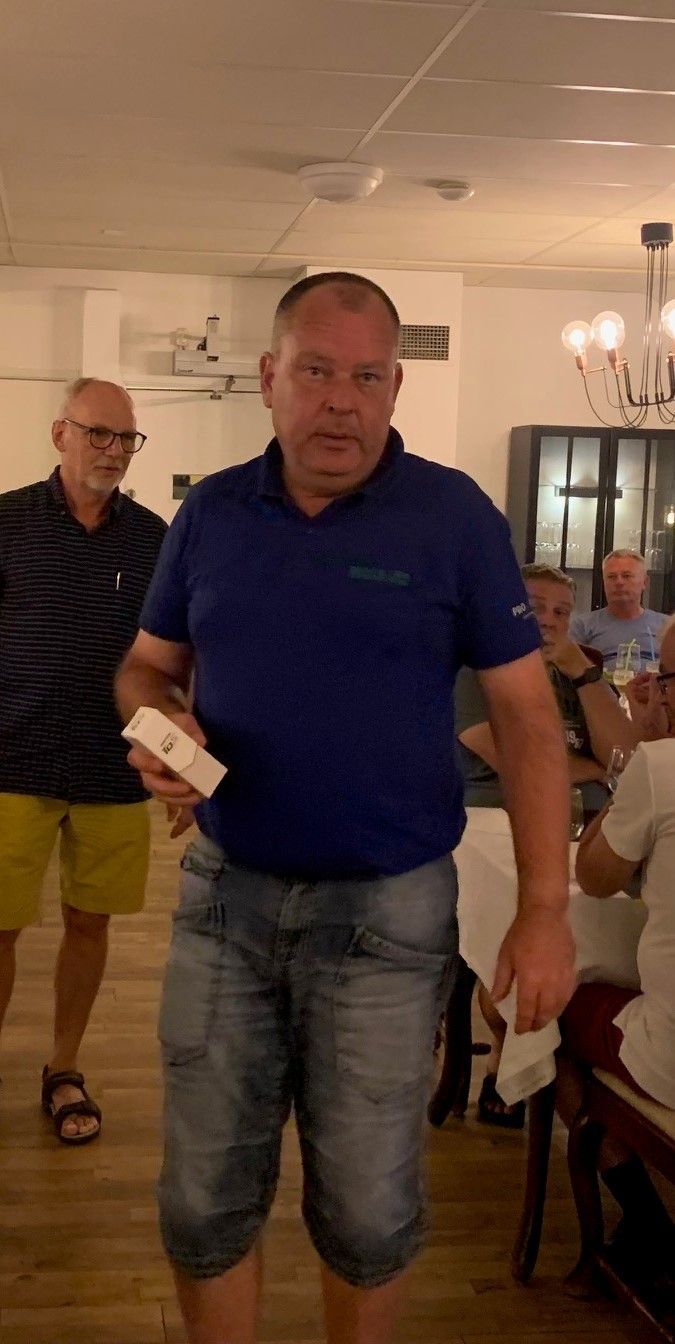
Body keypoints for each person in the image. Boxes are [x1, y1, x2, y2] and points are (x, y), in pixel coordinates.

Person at [115, 270, 575, 1344]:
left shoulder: (453, 517)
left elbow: (526, 719)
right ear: (269, 377)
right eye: (316, 370)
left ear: (395, 387)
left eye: (367, 377)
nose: (341, 400)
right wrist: (158, 727)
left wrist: (546, 907)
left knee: (368, 1214)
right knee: (202, 1202)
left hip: (388, 913)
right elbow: (144, 667)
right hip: (224, 901)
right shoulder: (211, 513)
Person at [0, 378, 166, 1144]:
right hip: (12, 759)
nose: (113, 451)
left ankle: (63, 1067)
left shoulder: (154, 539)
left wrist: (182, 760)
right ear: (60, 433)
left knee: (89, 922)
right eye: (99, 433)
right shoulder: (7, 522)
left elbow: (175, 654)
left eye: (125, 438)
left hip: (111, 765)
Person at [456, 562, 637, 1126]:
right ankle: (508, 1063)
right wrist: (594, 770)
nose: (549, 621)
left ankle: (581, 1088)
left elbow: (626, 757)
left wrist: (582, 675)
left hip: (588, 827)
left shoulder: (577, 672)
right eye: (535, 608)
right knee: (517, 922)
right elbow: (507, 756)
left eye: (561, 612)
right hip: (490, 820)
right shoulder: (476, 665)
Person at [555, 621, 675, 1307]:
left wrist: (645, 755)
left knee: (545, 1008)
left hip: (671, 1058)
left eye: (662, 678)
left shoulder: (662, 769)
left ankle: (650, 1223)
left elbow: (594, 878)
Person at [569, 549, 666, 669]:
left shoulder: (667, 627)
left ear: (645, 582)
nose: (619, 582)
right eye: (611, 577)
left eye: (626, 576)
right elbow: (571, 670)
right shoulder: (582, 626)